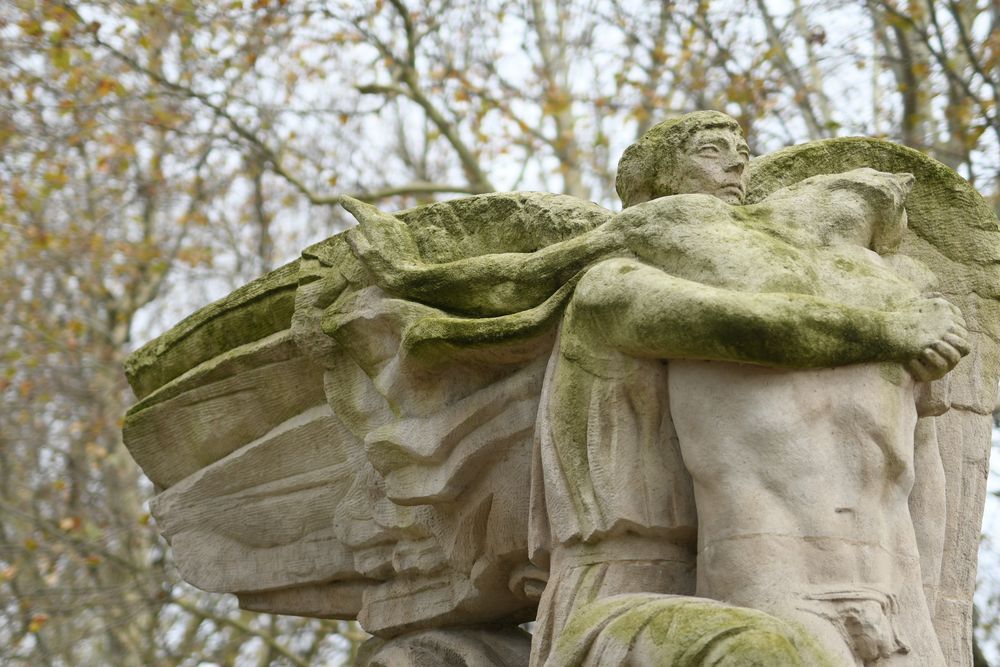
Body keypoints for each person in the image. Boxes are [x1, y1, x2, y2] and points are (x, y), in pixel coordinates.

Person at [530, 112, 961, 665]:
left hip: (890, 593)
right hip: (719, 585)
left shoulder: (870, 298)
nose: (738, 163)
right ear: (652, 183)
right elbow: (751, 328)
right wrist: (894, 329)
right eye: (711, 150)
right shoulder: (615, 284)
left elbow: (914, 465)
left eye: (744, 150)